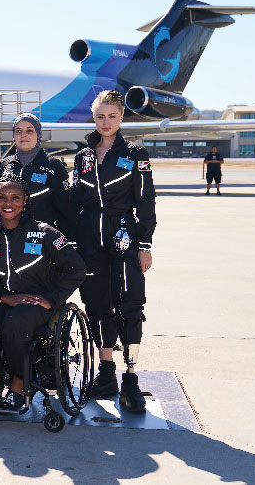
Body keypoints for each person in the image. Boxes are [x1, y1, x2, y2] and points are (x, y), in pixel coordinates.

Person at [0, 178, 86, 411]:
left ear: (25, 201)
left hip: (36, 302)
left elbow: (76, 268)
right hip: (2, 299)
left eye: (15, 198)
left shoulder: (45, 233)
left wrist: (52, 299)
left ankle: (20, 383)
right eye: (2, 198)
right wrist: (2, 297)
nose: (8, 203)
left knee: (16, 321)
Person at [71, 90, 156, 413]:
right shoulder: (83, 157)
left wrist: (145, 245)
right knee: (96, 303)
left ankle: (130, 379)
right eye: (99, 116)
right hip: (89, 236)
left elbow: (146, 202)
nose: (105, 122)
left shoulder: (136, 154)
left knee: (130, 304)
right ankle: (106, 373)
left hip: (124, 235)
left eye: (112, 116)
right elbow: (76, 202)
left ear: (122, 118)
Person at [0, 113, 75, 238]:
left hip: (41, 242)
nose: (23, 135)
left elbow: (66, 211)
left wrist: (62, 247)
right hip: (7, 239)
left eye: (29, 131)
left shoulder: (54, 167)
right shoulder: (5, 165)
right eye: (18, 131)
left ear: (38, 134)